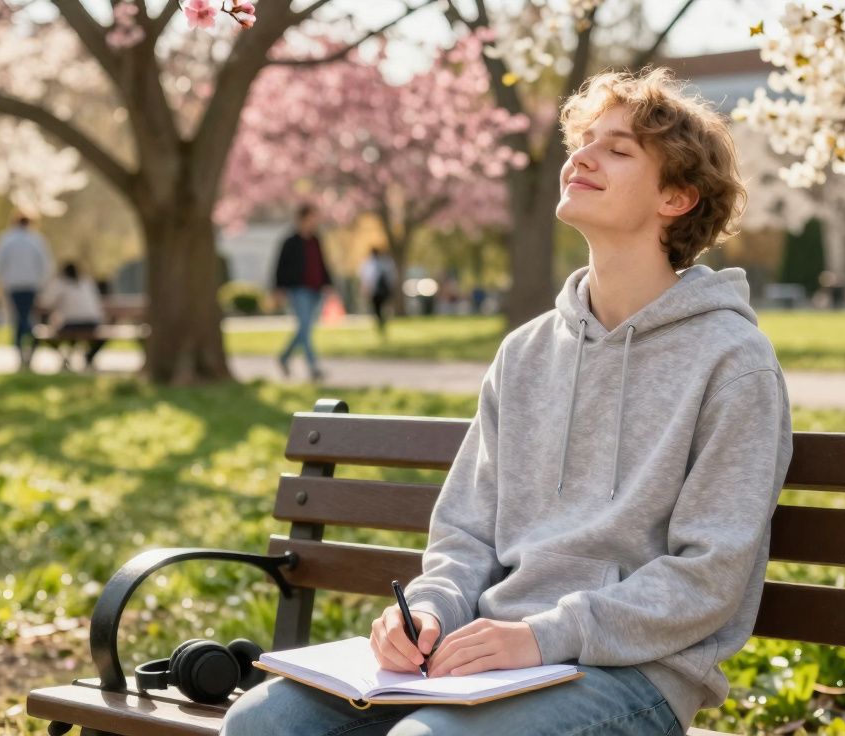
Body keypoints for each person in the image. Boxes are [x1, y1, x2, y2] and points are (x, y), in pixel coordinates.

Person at [224, 68, 793, 736]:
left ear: (676, 196)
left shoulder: (732, 361)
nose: (580, 157)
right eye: (583, 141)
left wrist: (544, 636)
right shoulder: (526, 353)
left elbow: (709, 576)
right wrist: (430, 613)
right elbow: (465, 533)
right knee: (261, 725)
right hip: (482, 657)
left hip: (633, 676)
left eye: (617, 149)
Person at [271, 204, 334, 382]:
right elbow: (280, 266)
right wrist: (278, 288)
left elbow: (322, 264)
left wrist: (329, 284)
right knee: (305, 326)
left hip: (316, 289)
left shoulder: (316, 240)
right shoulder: (290, 242)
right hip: (298, 290)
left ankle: (284, 357)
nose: (315, 221)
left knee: (305, 328)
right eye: (312, 217)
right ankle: (313, 367)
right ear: (302, 218)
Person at [0, 213, 52, 370]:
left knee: (20, 319)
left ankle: (22, 349)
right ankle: (29, 345)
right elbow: (47, 266)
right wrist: (44, 287)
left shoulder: (6, 239)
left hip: (14, 286)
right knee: (24, 318)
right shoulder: (36, 239)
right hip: (31, 286)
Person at [37, 262, 107, 371]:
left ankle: (66, 358)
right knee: (68, 332)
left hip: (71, 324)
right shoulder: (86, 282)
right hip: (93, 323)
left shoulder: (61, 283)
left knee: (47, 332)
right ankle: (85, 357)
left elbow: (45, 302)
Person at [358, 247, 397, 337]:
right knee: (378, 309)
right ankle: (381, 323)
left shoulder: (373, 264)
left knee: (380, 308)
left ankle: (381, 322)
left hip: (380, 291)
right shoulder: (379, 263)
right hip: (376, 291)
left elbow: (366, 279)